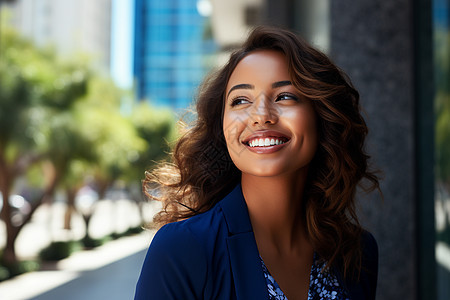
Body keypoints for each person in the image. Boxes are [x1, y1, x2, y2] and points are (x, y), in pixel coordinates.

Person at [135, 26, 380, 300]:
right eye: (240, 100)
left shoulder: (357, 252)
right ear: (222, 125)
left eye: (285, 96)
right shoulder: (183, 248)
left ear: (321, 115)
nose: (261, 116)